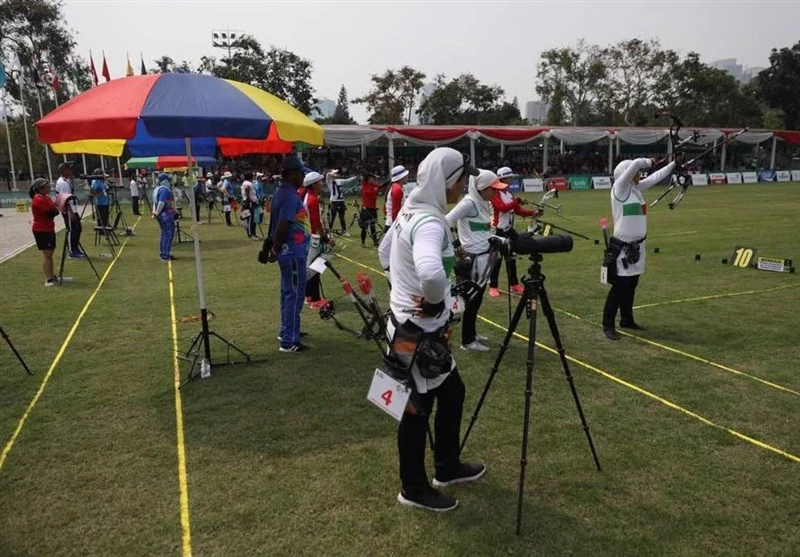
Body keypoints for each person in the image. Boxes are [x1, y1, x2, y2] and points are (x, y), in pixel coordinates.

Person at [378, 147, 484, 512]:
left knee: (452, 393)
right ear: (448, 181)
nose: (461, 187)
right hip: (417, 334)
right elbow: (431, 272)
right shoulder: (431, 221)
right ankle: (413, 487)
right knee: (413, 411)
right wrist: (434, 299)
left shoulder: (411, 209)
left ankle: (447, 466)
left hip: (409, 328)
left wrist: (400, 291)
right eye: (460, 179)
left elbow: (383, 251)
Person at [602, 157, 676, 340]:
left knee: (632, 285)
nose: (639, 174)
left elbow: (656, 177)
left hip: (638, 246)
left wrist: (674, 163)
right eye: (635, 173)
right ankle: (607, 325)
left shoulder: (635, 189)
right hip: (623, 247)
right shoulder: (619, 189)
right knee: (620, 287)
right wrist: (648, 161)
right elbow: (636, 164)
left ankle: (627, 320)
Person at [445, 169, 502, 352]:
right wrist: (456, 245)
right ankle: (467, 341)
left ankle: (472, 334)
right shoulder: (469, 202)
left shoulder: (483, 202)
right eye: (492, 189)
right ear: (482, 188)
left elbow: (483, 231)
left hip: (484, 257)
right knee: (472, 301)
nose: (495, 192)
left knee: (476, 301)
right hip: (473, 260)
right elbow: (447, 221)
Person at [268, 157, 311, 352]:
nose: (303, 177)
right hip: (293, 252)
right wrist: (275, 248)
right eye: (301, 173)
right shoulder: (289, 196)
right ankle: (289, 341)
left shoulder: (282, 193)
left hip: (290, 252)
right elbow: (282, 225)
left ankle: (286, 330)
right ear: (292, 174)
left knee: (288, 293)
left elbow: (274, 224)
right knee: (294, 295)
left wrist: (269, 247)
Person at [487, 166, 538, 298]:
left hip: (510, 230)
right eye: (510, 177)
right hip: (498, 230)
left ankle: (514, 284)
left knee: (512, 258)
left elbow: (517, 210)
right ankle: (493, 286)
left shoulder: (509, 193)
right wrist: (517, 201)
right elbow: (502, 208)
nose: (511, 180)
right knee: (497, 260)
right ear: (503, 179)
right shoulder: (494, 193)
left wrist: (533, 213)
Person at [302, 171, 335, 309]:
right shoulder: (312, 200)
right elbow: (316, 223)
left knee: (310, 267)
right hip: (314, 237)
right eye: (320, 182)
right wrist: (326, 239)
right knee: (316, 268)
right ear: (314, 184)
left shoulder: (310, 197)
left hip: (309, 236)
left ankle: (308, 296)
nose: (322, 184)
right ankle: (315, 299)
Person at [30, 178, 60, 287]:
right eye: (47, 187)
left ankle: (52, 275)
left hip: (49, 228)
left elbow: (54, 210)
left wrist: (55, 210)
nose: (49, 188)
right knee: (47, 254)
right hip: (41, 229)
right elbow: (51, 212)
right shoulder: (38, 199)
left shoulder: (45, 198)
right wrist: (55, 210)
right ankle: (48, 278)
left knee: (50, 253)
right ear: (40, 188)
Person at [54, 161, 84, 259]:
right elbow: (64, 199)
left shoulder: (66, 181)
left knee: (78, 228)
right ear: (64, 170)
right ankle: (72, 251)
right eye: (69, 169)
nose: (71, 171)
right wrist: (71, 213)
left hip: (72, 208)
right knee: (72, 230)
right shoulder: (63, 183)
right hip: (68, 210)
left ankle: (75, 247)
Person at [152, 173, 176, 261]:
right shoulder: (164, 190)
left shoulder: (157, 189)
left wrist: (155, 212)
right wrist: (157, 212)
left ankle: (165, 253)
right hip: (165, 215)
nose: (170, 182)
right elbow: (161, 203)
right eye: (169, 180)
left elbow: (155, 203)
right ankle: (165, 254)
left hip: (163, 214)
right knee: (167, 234)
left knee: (165, 233)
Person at [359, 172, 383, 247]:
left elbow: (382, 185)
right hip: (365, 209)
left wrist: (391, 180)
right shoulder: (365, 184)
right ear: (369, 179)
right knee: (364, 227)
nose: (374, 180)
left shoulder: (375, 186)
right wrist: (370, 174)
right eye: (373, 179)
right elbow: (364, 175)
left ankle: (375, 241)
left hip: (373, 209)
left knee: (373, 227)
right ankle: (363, 242)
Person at [384, 165, 409, 230]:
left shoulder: (397, 187)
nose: (407, 177)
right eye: (406, 175)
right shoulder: (397, 189)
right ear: (402, 177)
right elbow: (396, 211)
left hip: (392, 223)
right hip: (394, 225)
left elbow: (385, 208)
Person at [240, 171, 259, 239]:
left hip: (252, 201)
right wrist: (249, 198)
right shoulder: (248, 183)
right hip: (250, 202)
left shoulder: (246, 182)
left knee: (254, 218)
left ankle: (253, 233)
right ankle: (251, 235)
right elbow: (247, 188)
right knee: (250, 219)